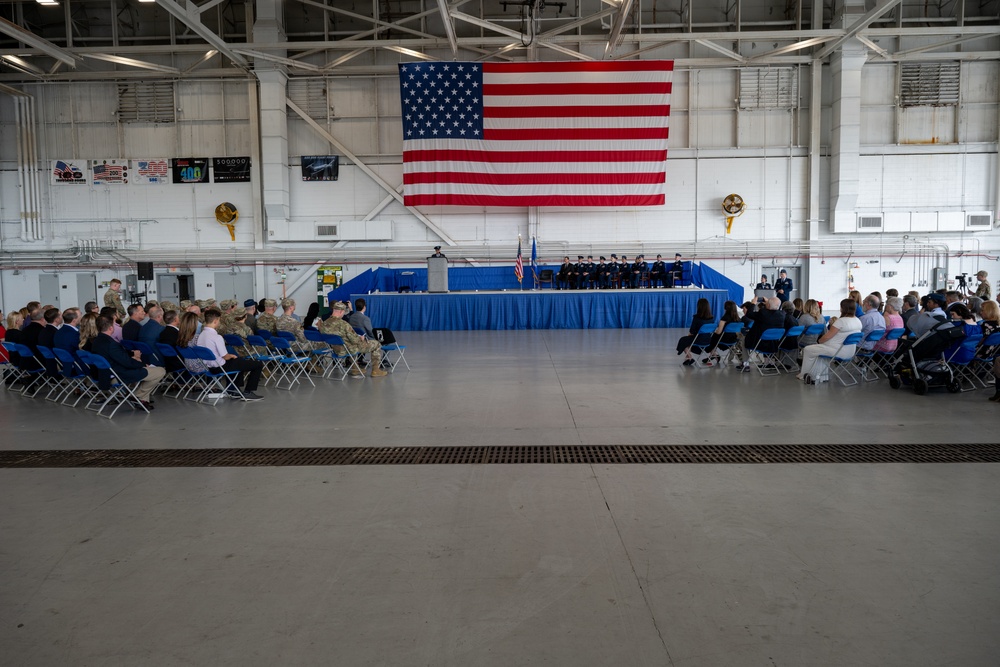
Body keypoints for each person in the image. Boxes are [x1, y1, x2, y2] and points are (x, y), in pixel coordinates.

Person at [91, 315, 165, 409]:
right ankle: (137, 395)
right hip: (118, 375)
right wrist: (143, 364)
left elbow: (117, 356)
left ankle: (142, 400)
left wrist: (131, 355)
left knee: (145, 368)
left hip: (105, 374)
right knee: (160, 371)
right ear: (110, 328)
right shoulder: (111, 344)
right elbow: (127, 362)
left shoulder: (97, 341)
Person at [798, 299, 862, 384]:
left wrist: (819, 341)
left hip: (837, 350)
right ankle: (821, 376)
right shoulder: (858, 321)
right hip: (850, 351)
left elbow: (827, 336)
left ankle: (805, 375)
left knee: (807, 349)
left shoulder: (841, 321)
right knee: (818, 352)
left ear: (843, 308)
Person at [319, 301, 386, 377]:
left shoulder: (324, 323)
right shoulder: (344, 324)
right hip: (347, 350)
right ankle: (376, 370)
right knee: (376, 344)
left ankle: (355, 369)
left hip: (334, 350)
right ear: (341, 311)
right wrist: (361, 338)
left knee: (349, 343)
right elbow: (355, 340)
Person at [738, 297, 788, 371]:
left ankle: (745, 364)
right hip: (773, 343)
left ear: (768, 305)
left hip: (759, 343)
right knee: (767, 335)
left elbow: (749, 314)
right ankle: (768, 362)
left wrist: (753, 304)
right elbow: (774, 310)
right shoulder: (782, 314)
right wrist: (769, 303)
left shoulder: (763, 313)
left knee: (744, 339)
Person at [676, 298, 715, 365]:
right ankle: (714, 355)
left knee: (683, 340)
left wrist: (690, 335)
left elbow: (691, 331)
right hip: (708, 340)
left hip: (698, 339)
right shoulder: (711, 318)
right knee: (688, 341)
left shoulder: (696, 317)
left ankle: (689, 357)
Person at [703, 300, 742, 365]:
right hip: (733, 340)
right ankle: (713, 355)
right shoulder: (738, 319)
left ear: (725, 308)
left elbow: (719, 332)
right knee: (714, 339)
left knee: (710, 339)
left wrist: (715, 331)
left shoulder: (724, 318)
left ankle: (713, 354)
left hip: (724, 339)